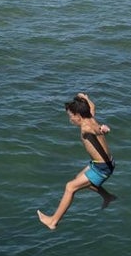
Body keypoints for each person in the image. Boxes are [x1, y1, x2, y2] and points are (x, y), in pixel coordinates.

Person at [37, 92, 117, 230]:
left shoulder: (86, 127)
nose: (70, 119)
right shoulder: (89, 116)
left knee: (70, 187)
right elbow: (92, 106)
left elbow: (95, 130)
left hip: (101, 168)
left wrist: (102, 130)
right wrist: (85, 98)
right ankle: (107, 197)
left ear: (78, 116)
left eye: (70, 116)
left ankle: (53, 221)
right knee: (79, 179)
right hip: (105, 163)